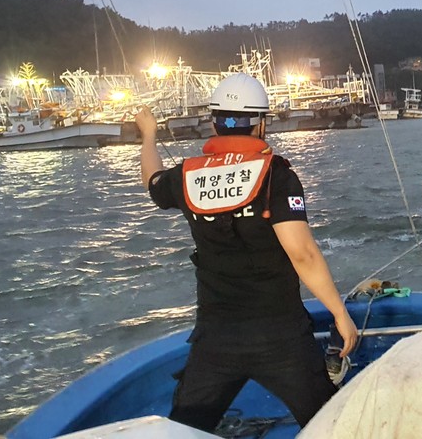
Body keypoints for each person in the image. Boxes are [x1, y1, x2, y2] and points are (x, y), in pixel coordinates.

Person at [135, 73, 359, 432]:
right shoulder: (277, 176)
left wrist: (148, 134)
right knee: (333, 426)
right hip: (281, 338)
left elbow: (152, 181)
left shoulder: (188, 176)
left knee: (185, 429)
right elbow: (303, 254)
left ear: (213, 122)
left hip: (215, 340)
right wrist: (340, 314)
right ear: (262, 124)